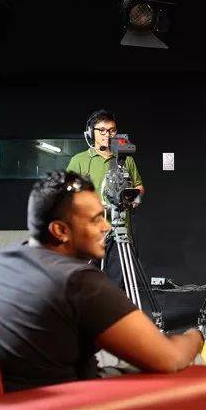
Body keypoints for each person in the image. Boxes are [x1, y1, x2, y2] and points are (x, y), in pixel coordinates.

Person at [0, 171, 203, 392]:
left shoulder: (2, 260)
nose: (106, 227)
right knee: (190, 361)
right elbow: (169, 359)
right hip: (69, 402)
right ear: (60, 230)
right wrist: (197, 336)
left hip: (10, 399)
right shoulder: (78, 281)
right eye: (96, 219)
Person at [66, 109, 144, 288]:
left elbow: (139, 186)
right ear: (90, 132)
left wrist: (133, 197)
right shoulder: (79, 160)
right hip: (89, 233)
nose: (107, 135)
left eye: (112, 130)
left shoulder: (125, 160)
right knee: (86, 285)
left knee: (116, 287)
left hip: (119, 233)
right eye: (102, 130)